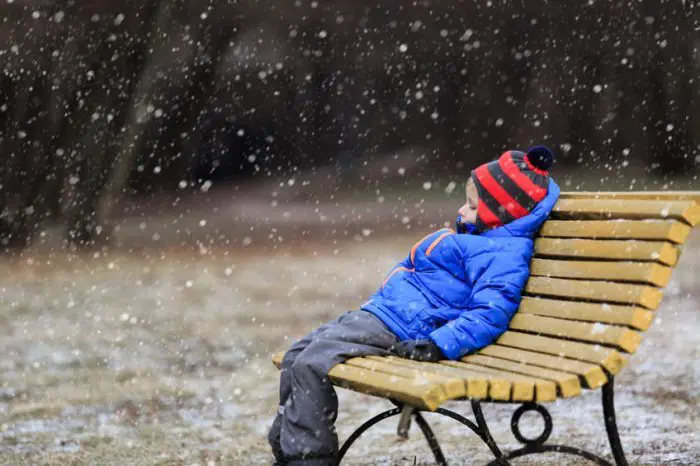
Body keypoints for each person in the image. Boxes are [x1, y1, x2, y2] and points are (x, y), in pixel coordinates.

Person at [268, 146, 561, 465]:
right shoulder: (483, 240)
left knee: (311, 363)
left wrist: (439, 344)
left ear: (501, 212)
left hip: (403, 326)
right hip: (387, 315)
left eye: (473, 206)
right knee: (297, 355)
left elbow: (491, 312)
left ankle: (309, 458)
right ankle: (287, 448)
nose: (462, 211)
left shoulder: (501, 254)